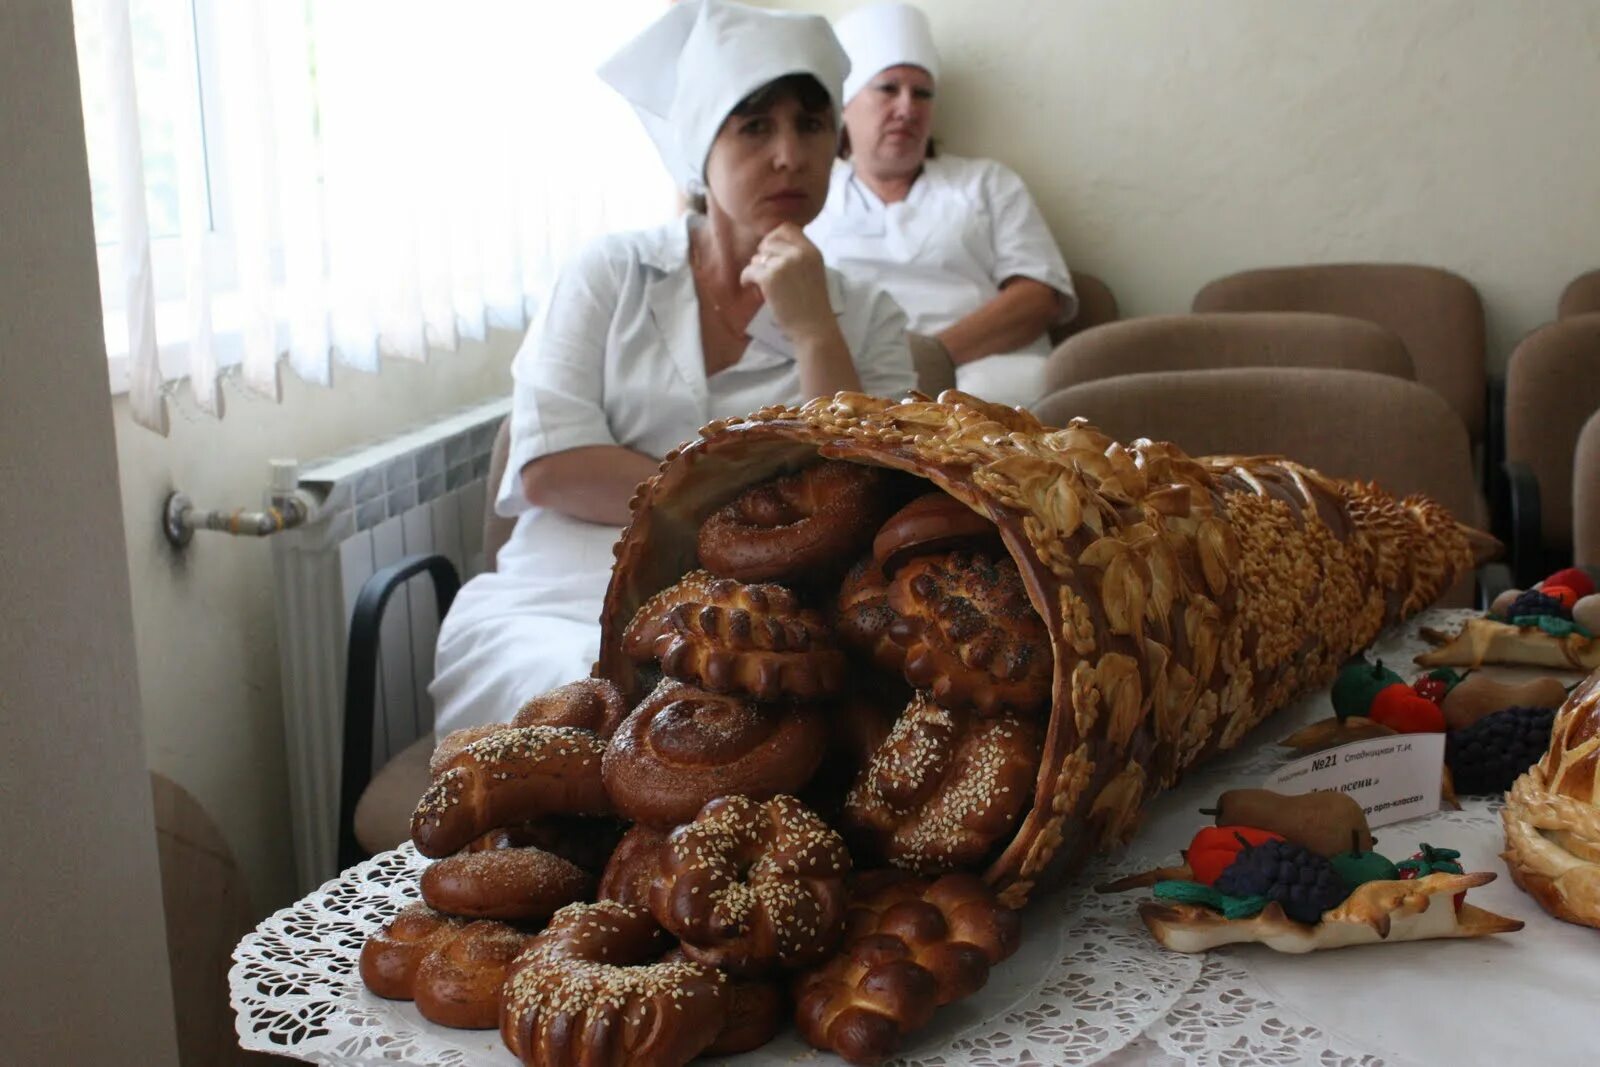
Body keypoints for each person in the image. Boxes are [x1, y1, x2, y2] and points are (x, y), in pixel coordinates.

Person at [429, 0, 918, 736]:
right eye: (755, 126)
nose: (790, 154)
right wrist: (753, 516)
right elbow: (551, 466)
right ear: (700, 148)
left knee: (773, 725)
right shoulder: (611, 273)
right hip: (560, 597)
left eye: (811, 124)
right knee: (598, 704)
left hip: (763, 619)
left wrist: (815, 331)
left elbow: (861, 502)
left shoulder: (868, 315)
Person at [806, 2, 1076, 409]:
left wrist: (934, 355)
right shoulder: (811, 194)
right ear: (845, 106)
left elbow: (1039, 297)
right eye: (887, 88)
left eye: (922, 93)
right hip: (855, 384)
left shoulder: (986, 182)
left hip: (988, 374)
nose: (906, 108)